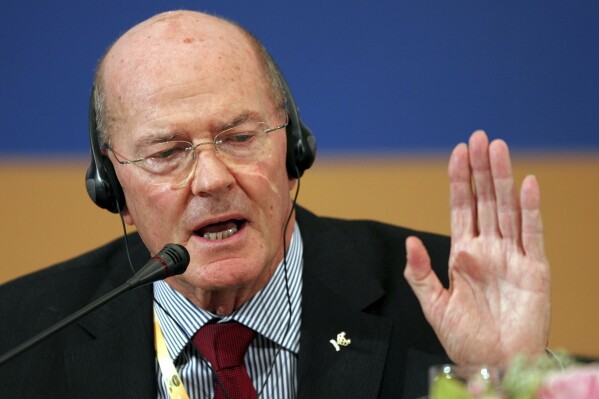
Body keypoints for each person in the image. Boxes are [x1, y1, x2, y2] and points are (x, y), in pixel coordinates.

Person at [0, 10, 550, 399]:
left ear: (295, 150)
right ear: (111, 188)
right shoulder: (19, 340)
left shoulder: (442, 307)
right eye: (167, 152)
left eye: (240, 137)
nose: (212, 179)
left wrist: (517, 378)